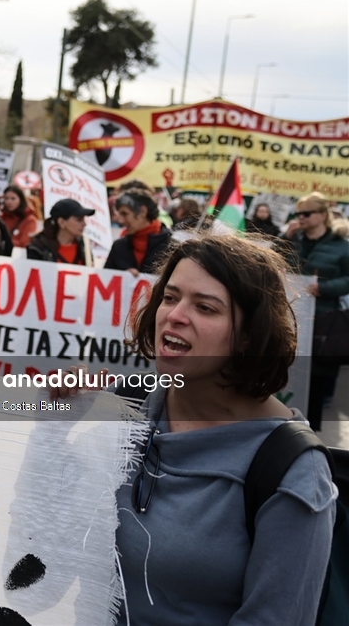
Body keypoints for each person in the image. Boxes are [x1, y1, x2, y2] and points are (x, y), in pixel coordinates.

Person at [105, 234, 337, 625]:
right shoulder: (122, 407)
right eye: (170, 296)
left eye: (205, 307)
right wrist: (53, 411)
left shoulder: (292, 473)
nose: (175, 315)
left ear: (249, 335)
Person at [283, 192, 349, 428]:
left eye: (306, 213)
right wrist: (285, 238)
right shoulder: (294, 239)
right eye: (298, 213)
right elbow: (275, 264)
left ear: (323, 215)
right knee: (288, 375)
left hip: (323, 321)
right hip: (292, 317)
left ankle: (312, 434)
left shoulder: (342, 246)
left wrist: (325, 287)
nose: (301, 218)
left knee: (317, 381)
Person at [104, 189, 173, 275]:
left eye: (125, 214)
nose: (121, 221)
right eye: (119, 214)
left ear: (143, 211)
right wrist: (121, 278)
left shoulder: (172, 246)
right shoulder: (118, 247)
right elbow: (105, 279)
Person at [26, 198, 95, 265]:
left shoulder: (84, 247)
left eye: (83, 220)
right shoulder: (38, 249)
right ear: (61, 222)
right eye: (79, 220)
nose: (84, 224)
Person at [0, 184, 38, 249]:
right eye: (6, 198)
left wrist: (3, 243)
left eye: (13, 199)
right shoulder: (2, 217)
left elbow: (24, 243)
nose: (9, 202)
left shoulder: (30, 220)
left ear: (21, 200)